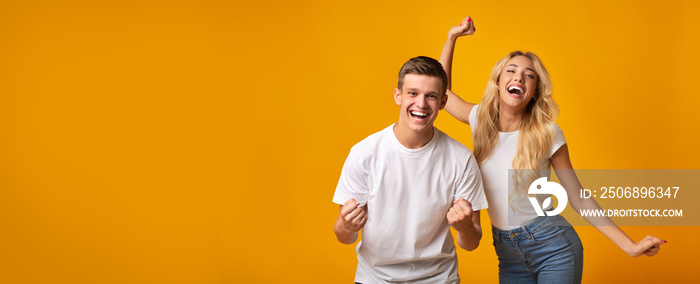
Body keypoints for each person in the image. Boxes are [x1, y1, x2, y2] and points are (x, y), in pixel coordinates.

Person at [438, 16, 666, 284]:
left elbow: (578, 197)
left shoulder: (546, 133)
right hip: (507, 252)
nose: (519, 78)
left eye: (529, 75)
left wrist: (629, 246)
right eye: (511, 71)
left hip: (554, 246)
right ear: (498, 81)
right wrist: (452, 37)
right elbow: (442, 92)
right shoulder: (479, 119)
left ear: (534, 91)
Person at [332, 56, 489, 284]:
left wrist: (464, 227)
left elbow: (471, 243)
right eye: (413, 93)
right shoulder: (363, 153)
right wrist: (346, 226)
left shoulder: (461, 159)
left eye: (431, 96)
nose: (422, 104)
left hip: (438, 279)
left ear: (443, 102)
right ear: (398, 96)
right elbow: (343, 237)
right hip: (374, 279)